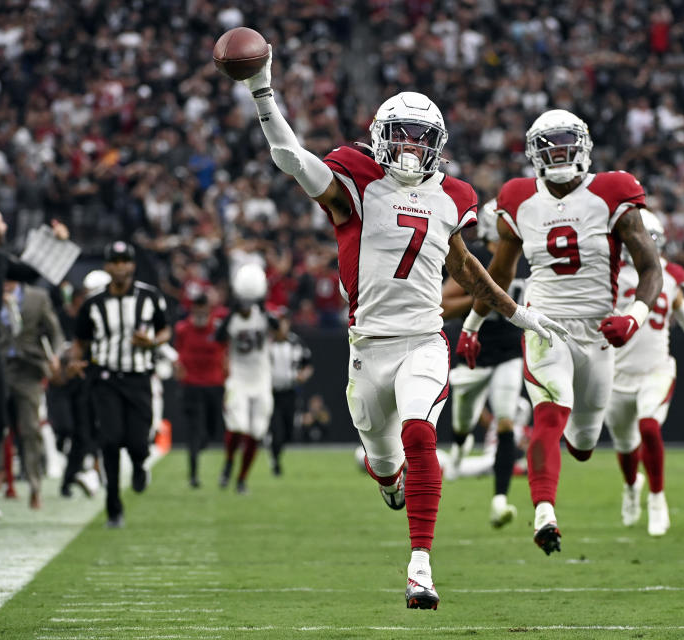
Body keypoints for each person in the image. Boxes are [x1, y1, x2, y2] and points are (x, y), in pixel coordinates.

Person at [230, 47, 565, 608]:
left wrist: (521, 313)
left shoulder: (453, 196)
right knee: (385, 464)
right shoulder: (356, 180)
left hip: (422, 341)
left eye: (420, 136)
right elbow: (289, 156)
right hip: (368, 348)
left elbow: (466, 269)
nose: (410, 146)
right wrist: (262, 87)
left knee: (420, 434)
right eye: (401, 135)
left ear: (436, 144)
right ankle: (389, 483)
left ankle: (420, 569)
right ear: (382, 136)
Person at [458, 109, 663, 555]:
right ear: (534, 153)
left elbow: (650, 267)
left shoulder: (613, 192)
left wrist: (634, 316)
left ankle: (564, 468)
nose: (557, 153)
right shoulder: (518, 198)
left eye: (565, 143)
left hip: (598, 330)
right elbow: (497, 272)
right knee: (549, 414)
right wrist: (473, 322)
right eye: (548, 145)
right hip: (544, 322)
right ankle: (544, 511)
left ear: (584, 147)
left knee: (585, 442)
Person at [604, 209, 684, 536]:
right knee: (624, 445)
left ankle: (657, 499)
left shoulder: (668, 275)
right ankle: (632, 486)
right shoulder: (607, 273)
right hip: (615, 374)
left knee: (649, 427)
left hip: (655, 370)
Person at [70, 241, 170, 529]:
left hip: (139, 377)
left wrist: (152, 341)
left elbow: (165, 330)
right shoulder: (93, 304)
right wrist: (77, 361)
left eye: (124, 261)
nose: (120, 266)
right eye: (114, 261)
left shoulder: (150, 297)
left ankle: (140, 464)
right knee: (110, 440)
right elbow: (81, 342)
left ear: (132, 265)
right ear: (107, 266)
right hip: (106, 378)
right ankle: (114, 507)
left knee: (138, 443)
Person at [442, 199, 526, 528]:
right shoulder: (477, 257)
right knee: (463, 422)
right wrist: (485, 297)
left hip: (509, 350)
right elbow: (444, 304)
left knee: (506, 420)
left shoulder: (527, 257)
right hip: (473, 352)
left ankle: (500, 500)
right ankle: (461, 451)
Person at [0, 210, 70, 497]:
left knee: (3, 425)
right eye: (0, 220)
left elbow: (31, 271)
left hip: (12, 363)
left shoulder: (0, 260)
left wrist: (56, 242)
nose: (4, 224)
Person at [1, 277, 64, 510]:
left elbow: (54, 332)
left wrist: (55, 355)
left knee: (30, 429)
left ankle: (35, 486)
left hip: (28, 369)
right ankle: (1, 477)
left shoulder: (37, 298)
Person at [216, 263, 276, 495]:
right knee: (238, 425)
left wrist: (262, 306)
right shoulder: (230, 319)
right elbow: (218, 337)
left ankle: (241, 479)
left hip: (261, 378)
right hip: (238, 378)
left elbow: (277, 327)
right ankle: (230, 461)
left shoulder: (263, 315)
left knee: (257, 431)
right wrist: (232, 311)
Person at [51, 270, 108, 499]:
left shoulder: (108, 315)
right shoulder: (76, 316)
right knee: (77, 433)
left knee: (91, 434)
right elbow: (74, 347)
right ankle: (83, 474)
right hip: (73, 382)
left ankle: (87, 473)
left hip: (97, 382)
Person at [173, 289, 226, 488]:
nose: (201, 313)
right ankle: (193, 474)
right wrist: (178, 366)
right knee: (194, 431)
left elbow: (227, 350)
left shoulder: (218, 328)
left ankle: (202, 444)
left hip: (214, 384)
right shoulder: (183, 329)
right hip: (191, 385)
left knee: (211, 429)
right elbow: (177, 351)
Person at [268, 308, 313, 476]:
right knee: (276, 428)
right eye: (280, 321)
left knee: (288, 431)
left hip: (290, 391)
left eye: (285, 321)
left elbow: (308, 364)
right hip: (271, 393)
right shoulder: (267, 344)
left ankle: (275, 451)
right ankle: (275, 459)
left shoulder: (296, 343)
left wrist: (304, 375)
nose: (283, 325)